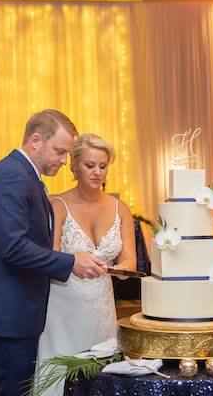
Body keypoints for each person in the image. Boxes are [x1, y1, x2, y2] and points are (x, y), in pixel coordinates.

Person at [0, 110, 108, 396]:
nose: (64, 160)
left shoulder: (25, 175)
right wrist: (71, 261)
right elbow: (14, 248)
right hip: (6, 313)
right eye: (59, 151)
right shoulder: (11, 178)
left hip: (15, 311)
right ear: (36, 140)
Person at [34, 133, 137, 396]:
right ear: (75, 166)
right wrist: (72, 264)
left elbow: (129, 260)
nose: (97, 172)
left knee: (99, 374)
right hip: (63, 307)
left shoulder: (120, 208)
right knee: (61, 375)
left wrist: (121, 270)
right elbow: (50, 256)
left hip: (102, 306)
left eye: (103, 166)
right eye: (90, 165)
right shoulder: (57, 205)